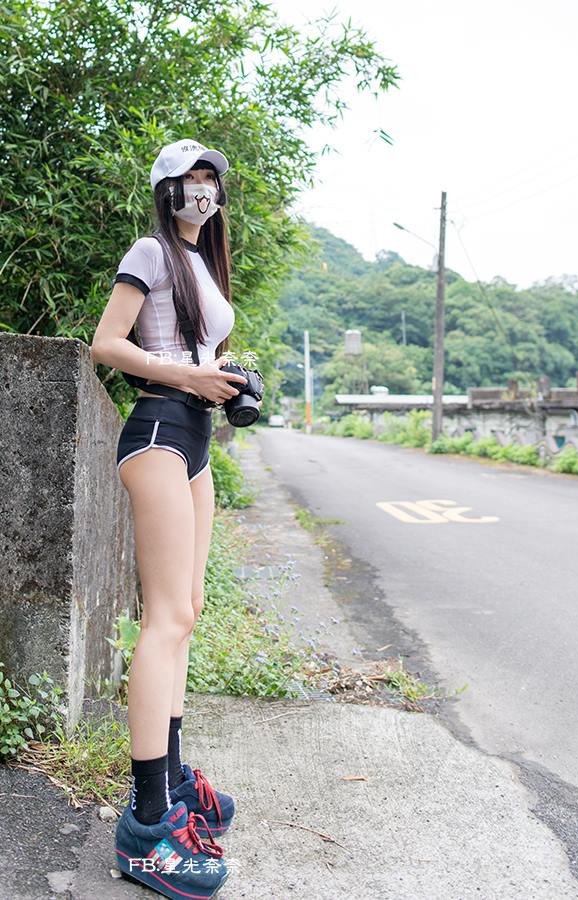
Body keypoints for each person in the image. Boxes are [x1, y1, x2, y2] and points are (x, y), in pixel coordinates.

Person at [91, 138, 258, 899]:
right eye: (189, 179)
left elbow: (200, 349)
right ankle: (147, 825)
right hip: (158, 429)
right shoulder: (152, 250)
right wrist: (189, 374)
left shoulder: (202, 263)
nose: (202, 190)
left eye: (210, 180)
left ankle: (174, 777)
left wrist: (227, 379)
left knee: (186, 610)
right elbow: (108, 343)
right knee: (164, 619)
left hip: (195, 438)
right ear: (166, 189)